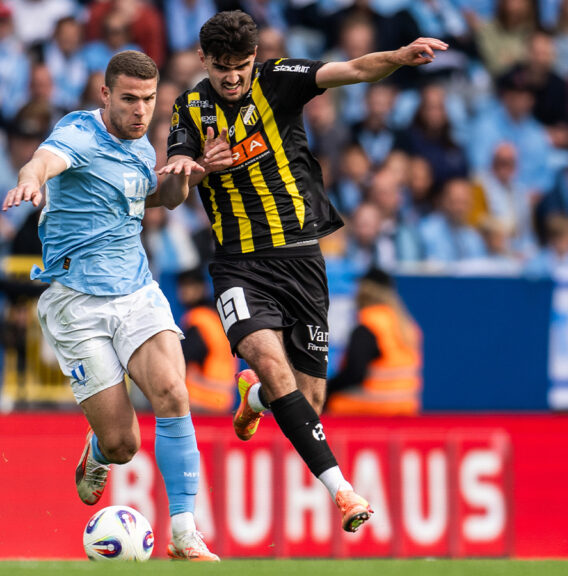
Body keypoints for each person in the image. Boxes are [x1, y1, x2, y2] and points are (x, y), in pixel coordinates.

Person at [161, 10, 447, 533]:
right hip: (238, 265)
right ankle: (343, 490)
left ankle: (251, 398)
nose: (233, 77)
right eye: (222, 67)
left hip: (301, 258)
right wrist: (199, 168)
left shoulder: (277, 81)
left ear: (254, 59)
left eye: (241, 66)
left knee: (308, 400)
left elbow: (355, 69)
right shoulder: (189, 110)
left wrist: (400, 58)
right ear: (203, 59)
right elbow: (175, 194)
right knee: (272, 365)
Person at [3, 50, 219, 561]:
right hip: (75, 303)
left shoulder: (143, 146)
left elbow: (159, 198)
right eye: (129, 99)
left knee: (172, 390)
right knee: (125, 444)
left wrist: (195, 172)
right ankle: (99, 452)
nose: (141, 110)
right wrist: (32, 177)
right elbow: (46, 159)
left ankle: (185, 531)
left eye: (148, 99)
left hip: (136, 290)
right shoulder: (79, 132)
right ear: (105, 95)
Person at [326, 268, 423, 416]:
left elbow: (355, 374)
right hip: (404, 410)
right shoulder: (406, 326)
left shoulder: (369, 326)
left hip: (370, 410)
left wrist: (326, 389)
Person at [177, 267, 238, 413]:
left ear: (202, 288)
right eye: (182, 286)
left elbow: (186, 358)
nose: (184, 291)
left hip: (198, 401)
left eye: (190, 286)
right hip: (221, 401)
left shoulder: (198, 319)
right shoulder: (216, 318)